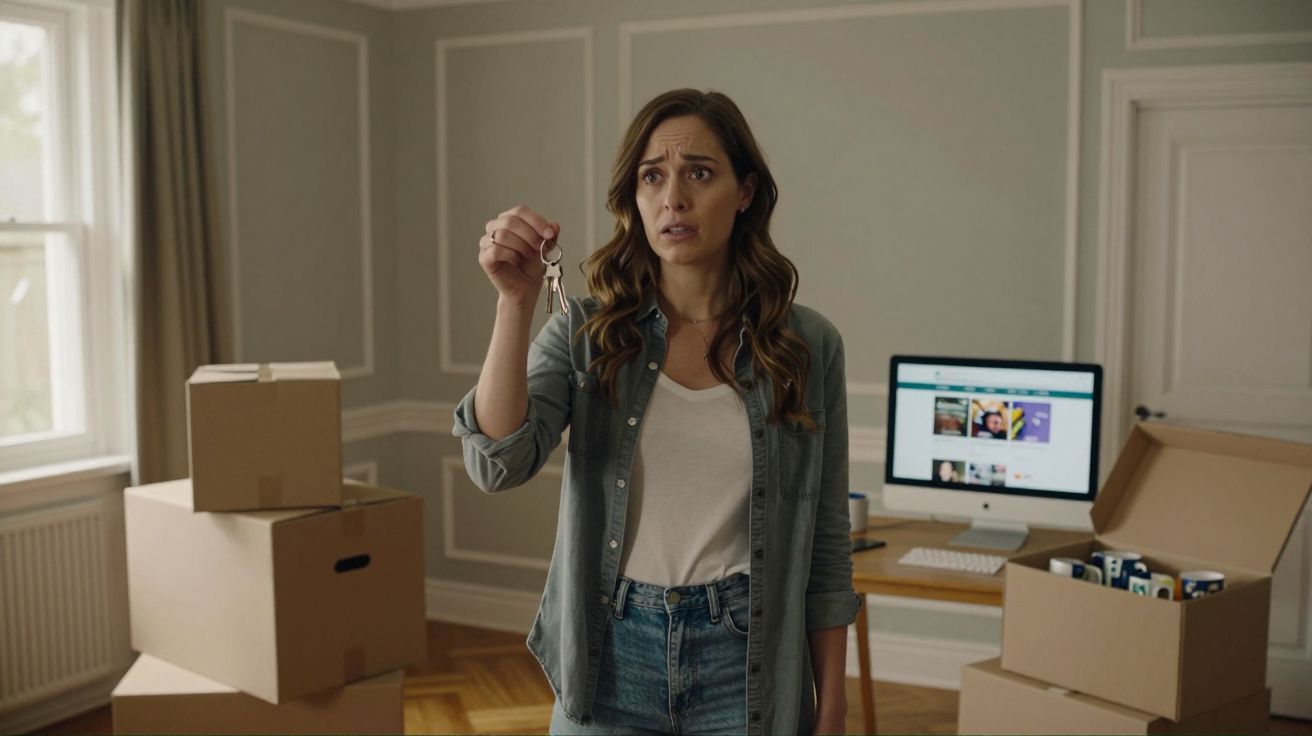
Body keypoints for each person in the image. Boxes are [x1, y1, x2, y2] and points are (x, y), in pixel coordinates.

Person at [452, 88, 862, 736]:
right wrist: (515, 301)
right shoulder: (588, 333)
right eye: (652, 176)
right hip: (611, 652)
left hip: (745, 659)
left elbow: (828, 545)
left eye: (700, 172)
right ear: (633, 198)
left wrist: (832, 703)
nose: (674, 196)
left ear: (745, 190)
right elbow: (496, 464)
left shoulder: (808, 348)